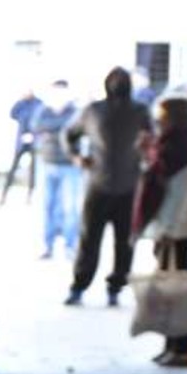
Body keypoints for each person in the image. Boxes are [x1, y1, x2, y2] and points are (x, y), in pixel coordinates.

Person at [65, 67, 153, 307]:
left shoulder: (140, 111)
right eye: (115, 80)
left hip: (129, 186)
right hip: (98, 184)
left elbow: (152, 140)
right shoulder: (93, 111)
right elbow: (69, 134)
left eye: (122, 80)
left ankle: (116, 286)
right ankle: (79, 286)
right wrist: (76, 158)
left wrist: (147, 158)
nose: (119, 84)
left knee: (125, 242)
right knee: (89, 239)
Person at [134, 97, 187, 368]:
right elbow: (156, 180)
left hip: (179, 232)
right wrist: (146, 154)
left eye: (163, 114)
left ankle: (184, 349)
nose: (158, 119)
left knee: (178, 293)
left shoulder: (184, 149)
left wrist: (168, 231)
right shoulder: (167, 147)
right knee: (170, 291)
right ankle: (172, 346)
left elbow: (182, 195)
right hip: (170, 230)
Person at [31, 80, 80, 260]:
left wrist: (53, 129)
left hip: (70, 165)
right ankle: (47, 245)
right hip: (47, 163)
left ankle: (70, 246)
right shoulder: (43, 110)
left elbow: (75, 129)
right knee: (46, 206)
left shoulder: (75, 111)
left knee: (70, 208)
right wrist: (60, 129)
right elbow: (36, 126)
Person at [2, 89, 42, 204]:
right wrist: (20, 100)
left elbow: (41, 119)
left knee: (33, 170)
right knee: (13, 168)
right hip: (21, 141)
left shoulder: (39, 103)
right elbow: (12, 113)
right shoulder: (21, 104)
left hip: (34, 141)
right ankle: (4, 194)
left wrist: (34, 135)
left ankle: (30, 196)